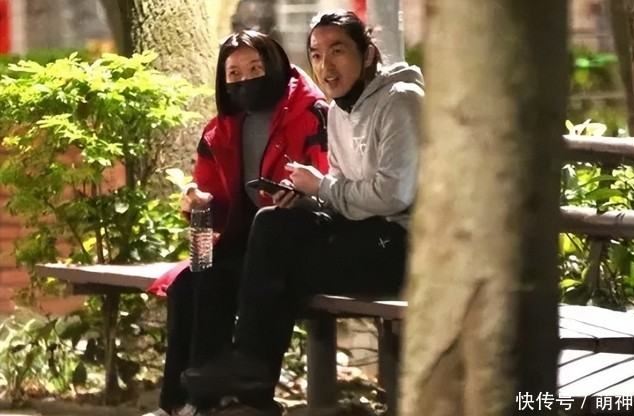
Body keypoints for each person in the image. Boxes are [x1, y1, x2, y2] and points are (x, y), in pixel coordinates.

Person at [181, 10, 424, 416]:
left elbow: (394, 194)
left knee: (273, 267)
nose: (326, 65)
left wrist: (321, 187)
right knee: (271, 223)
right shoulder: (340, 109)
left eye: (338, 50)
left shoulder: (400, 101)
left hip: (403, 244)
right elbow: (343, 191)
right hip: (364, 234)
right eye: (316, 54)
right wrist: (306, 198)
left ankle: (251, 379)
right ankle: (245, 379)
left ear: (367, 54)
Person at [142, 30, 329, 416]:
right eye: (234, 74)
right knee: (191, 282)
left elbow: (330, 183)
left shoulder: (311, 114)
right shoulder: (221, 130)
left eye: (255, 69)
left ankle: (206, 400)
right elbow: (211, 201)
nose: (245, 80)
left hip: (296, 246)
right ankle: (178, 402)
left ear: (275, 66)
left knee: (216, 281)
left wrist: (300, 197)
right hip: (243, 242)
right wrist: (197, 201)